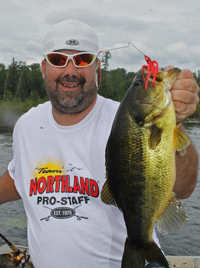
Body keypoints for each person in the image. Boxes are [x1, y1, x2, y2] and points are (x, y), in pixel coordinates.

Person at [0, 19, 199, 268]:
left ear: (98, 69)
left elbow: (185, 188)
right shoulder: (26, 125)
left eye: (82, 59)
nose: (70, 70)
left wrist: (176, 122)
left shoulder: (123, 118)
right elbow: (21, 179)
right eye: (58, 60)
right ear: (43, 68)